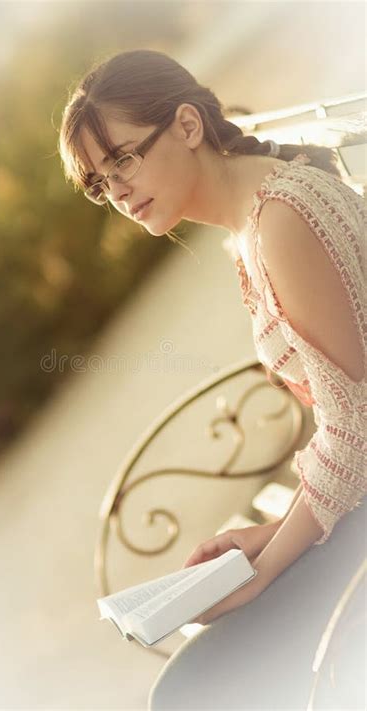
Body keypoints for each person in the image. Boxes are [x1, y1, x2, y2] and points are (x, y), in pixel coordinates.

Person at [58, 49, 367, 707]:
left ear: (189, 126)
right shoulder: (250, 226)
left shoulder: (282, 219)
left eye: (123, 159)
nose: (116, 191)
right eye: (98, 182)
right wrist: (268, 532)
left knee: (194, 690)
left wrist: (263, 569)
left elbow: (357, 428)